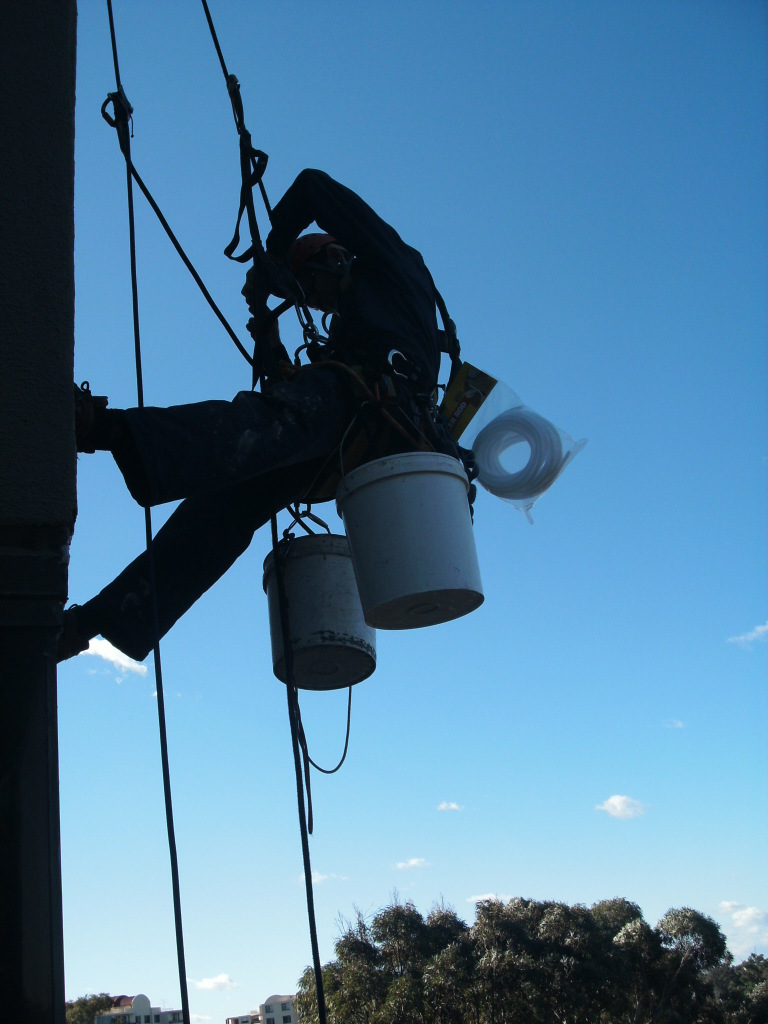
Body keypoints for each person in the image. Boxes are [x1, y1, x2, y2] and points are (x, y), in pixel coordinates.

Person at [59, 169, 453, 662]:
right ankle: (92, 621)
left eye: (312, 288)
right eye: (307, 296)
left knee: (266, 425)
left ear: (335, 256)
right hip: (351, 434)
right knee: (224, 504)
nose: (318, 304)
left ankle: (102, 427)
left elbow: (313, 186)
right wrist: (269, 339)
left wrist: (272, 253)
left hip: (376, 414)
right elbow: (290, 407)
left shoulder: (396, 268)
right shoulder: (349, 341)